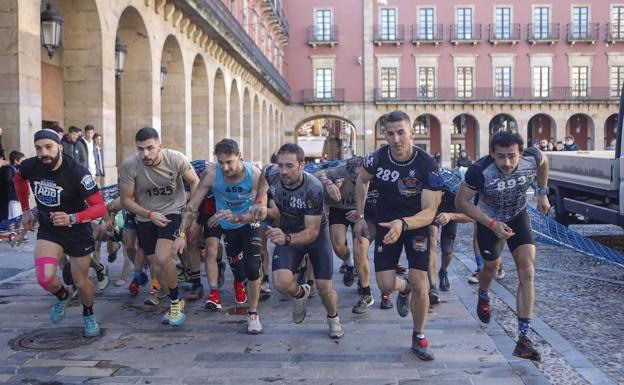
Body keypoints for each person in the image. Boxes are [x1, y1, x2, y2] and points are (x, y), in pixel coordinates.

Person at [353, 110, 443, 360]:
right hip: (385, 224)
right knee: (385, 284)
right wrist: (360, 216)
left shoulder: (427, 164)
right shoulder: (376, 158)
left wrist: (403, 224)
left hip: (416, 226)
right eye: (390, 134)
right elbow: (362, 181)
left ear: (412, 134)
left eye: (401, 132)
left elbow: (429, 212)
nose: (395, 139)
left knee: (420, 284)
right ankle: (402, 290)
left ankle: (419, 336)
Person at [455, 131, 550, 363]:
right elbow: (461, 202)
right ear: (491, 155)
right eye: (500, 157)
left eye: (511, 156)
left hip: (518, 215)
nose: (506, 163)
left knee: (527, 271)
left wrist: (542, 193)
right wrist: (491, 224)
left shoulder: (533, 157)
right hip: (489, 220)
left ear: (521, 153)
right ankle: (484, 294)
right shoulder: (479, 171)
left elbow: (544, 161)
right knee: (491, 268)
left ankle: (523, 340)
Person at [12, 129, 106, 337]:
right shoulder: (30, 165)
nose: (43, 152)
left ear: (60, 147)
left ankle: (88, 314)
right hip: (50, 229)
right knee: (44, 279)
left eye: (48, 147)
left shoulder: (78, 172)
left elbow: (100, 207)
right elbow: (18, 181)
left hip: (77, 230)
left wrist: (73, 218)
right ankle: (63, 296)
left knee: (81, 282)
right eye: (38, 148)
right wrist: (26, 210)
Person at [252, 143, 344, 339]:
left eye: (289, 166)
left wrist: (285, 238)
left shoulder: (313, 188)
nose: (283, 171)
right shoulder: (272, 172)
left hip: (316, 236)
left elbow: (311, 232)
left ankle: (333, 317)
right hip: (288, 230)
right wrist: (259, 202)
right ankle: (300, 293)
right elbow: (264, 179)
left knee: (324, 289)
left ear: (302, 165)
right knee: (281, 283)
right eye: (280, 165)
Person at [173, 139, 264, 334]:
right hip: (227, 224)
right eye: (221, 162)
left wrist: (240, 216)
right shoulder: (212, 175)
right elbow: (191, 207)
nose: (225, 167)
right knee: (237, 268)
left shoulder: (254, 174)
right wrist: (181, 233)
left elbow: (259, 209)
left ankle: (253, 313)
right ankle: (238, 281)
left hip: (249, 221)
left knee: (253, 267)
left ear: (239, 156)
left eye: (229, 162)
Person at [119, 127, 199, 326]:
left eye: (150, 148)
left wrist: (191, 210)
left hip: (173, 210)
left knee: (164, 257)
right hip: (146, 216)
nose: (145, 154)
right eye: (140, 149)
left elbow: (195, 181)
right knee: (156, 265)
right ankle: (176, 299)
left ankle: (173, 303)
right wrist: (148, 214)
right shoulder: (130, 166)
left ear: (160, 146)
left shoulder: (175, 159)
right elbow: (126, 200)